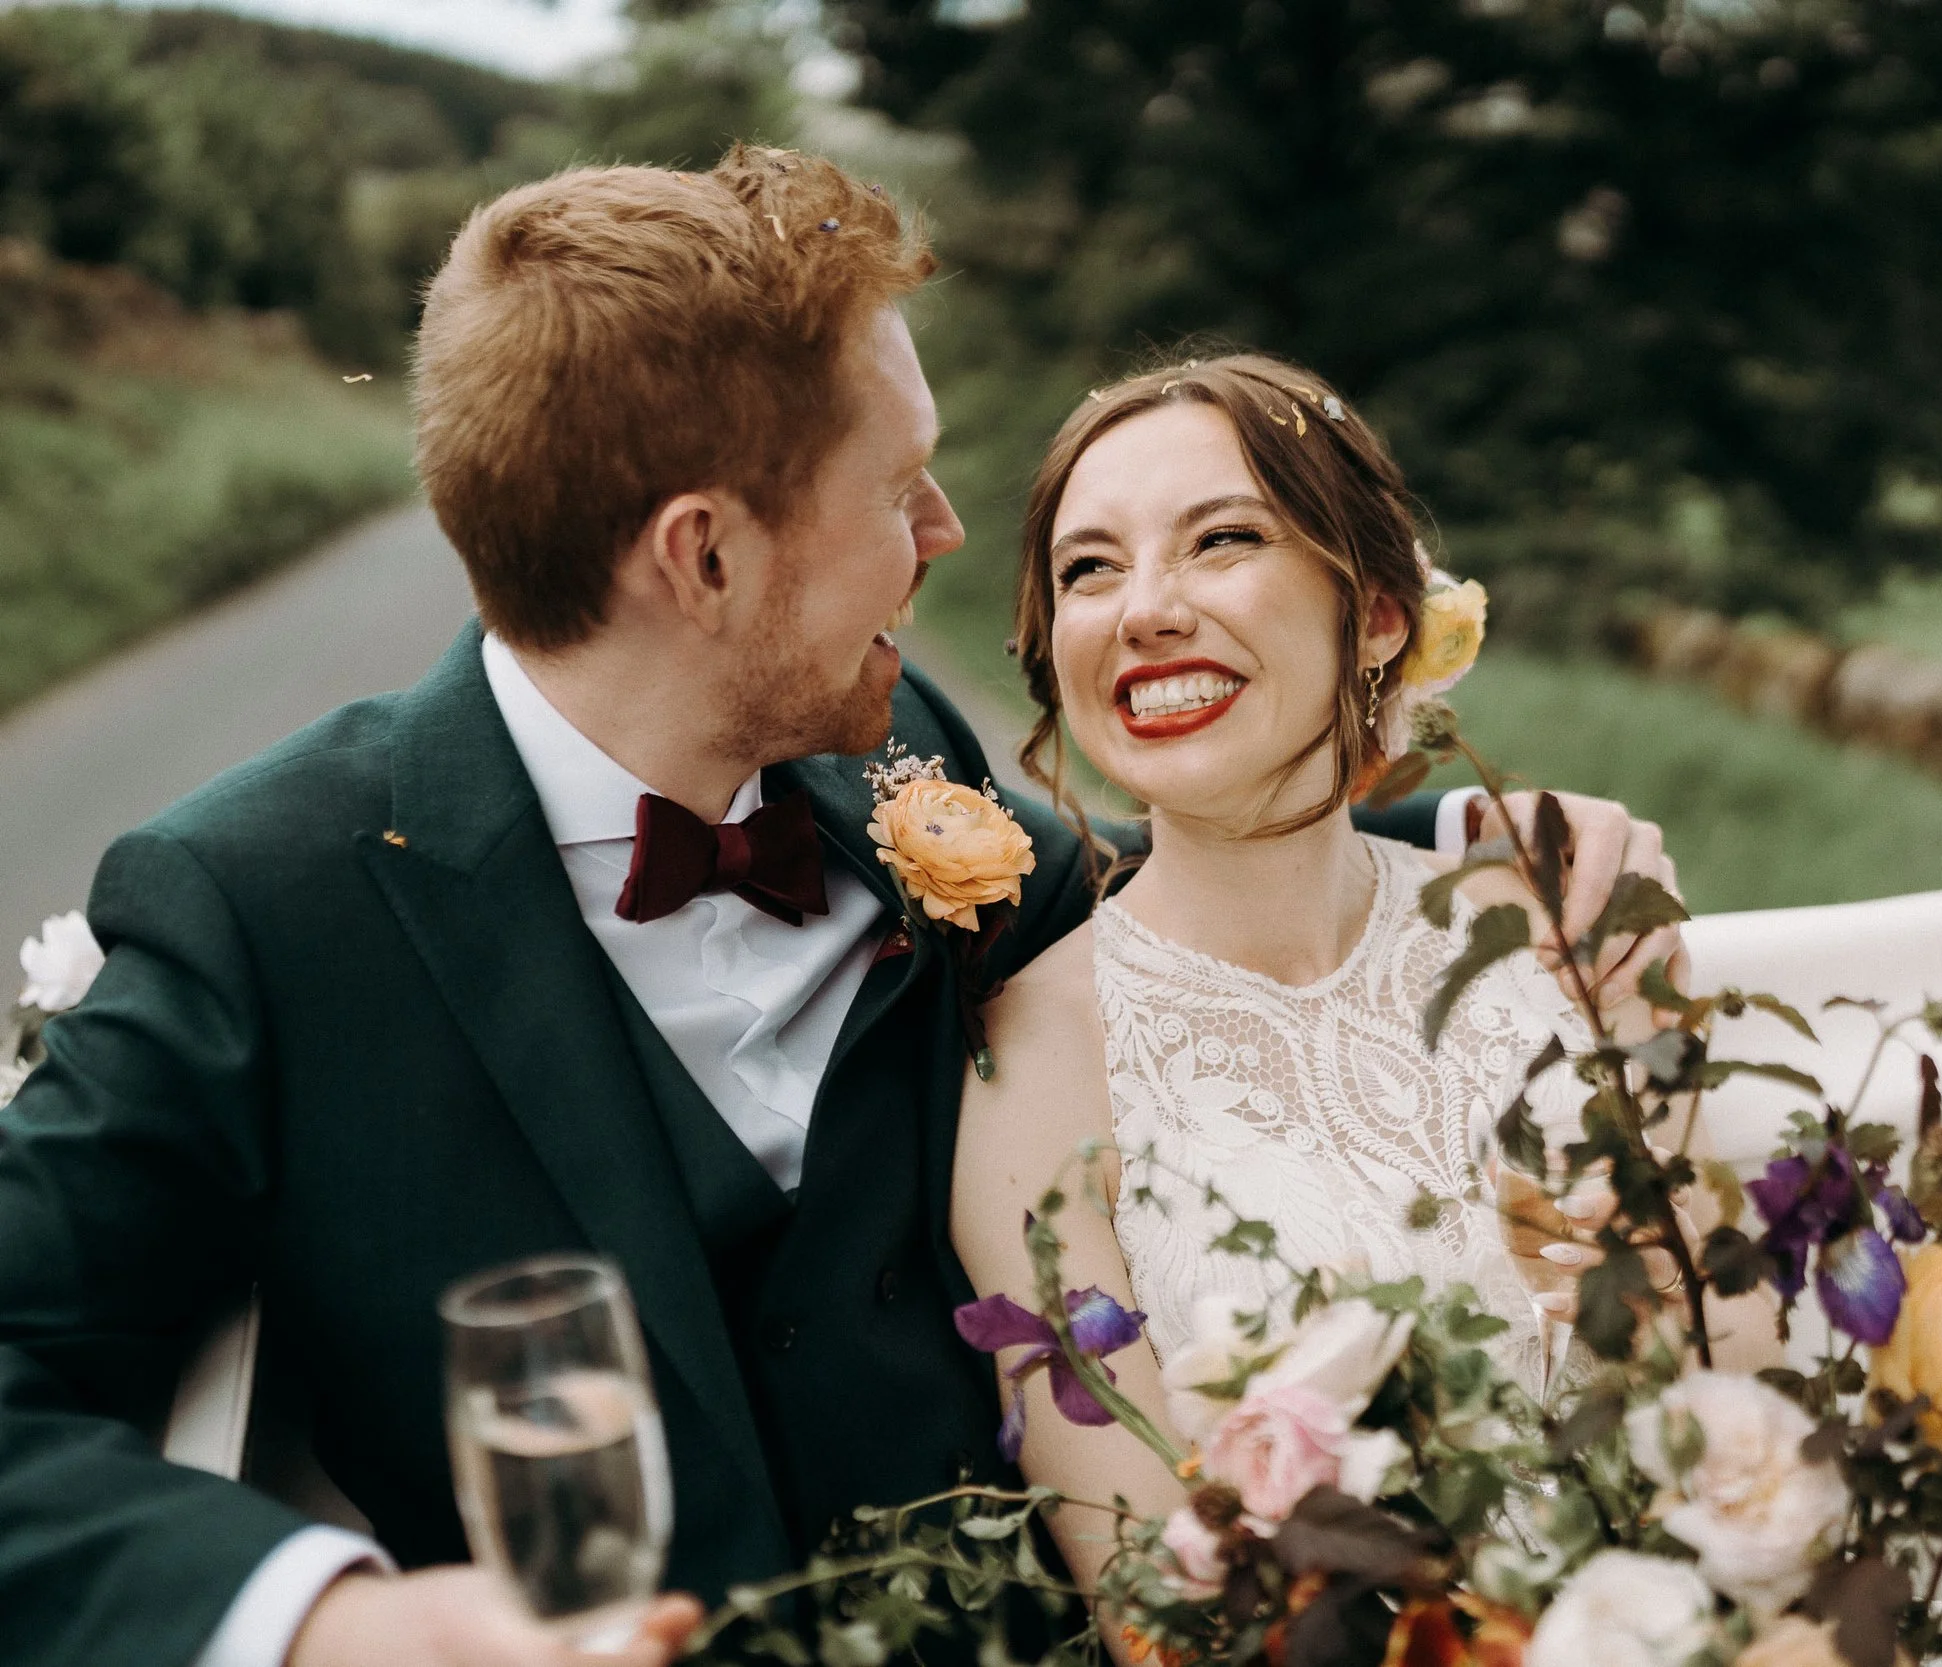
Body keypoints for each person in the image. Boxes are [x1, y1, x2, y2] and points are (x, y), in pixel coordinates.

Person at [0, 149, 1675, 1667]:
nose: (947, 534)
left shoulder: (899, 766)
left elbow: (1149, 902)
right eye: (901, 490)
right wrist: (333, 1620)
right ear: (705, 556)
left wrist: (1450, 824)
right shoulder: (257, 907)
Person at [950, 356, 1778, 1601]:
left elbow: (1736, 1377)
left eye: (1219, 540)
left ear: (1380, 615)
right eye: (1089, 568)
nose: (1144, 609)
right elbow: (1153, 1601)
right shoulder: (1031, 1062)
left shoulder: (1574, 934)